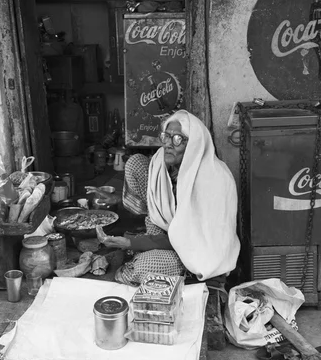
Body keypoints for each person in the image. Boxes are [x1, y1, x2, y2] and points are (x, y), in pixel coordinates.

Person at [96, 110, 240, 285]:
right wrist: (117, 199)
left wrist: (130, 242)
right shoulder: (163, 165)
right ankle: (150, 240)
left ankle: (183, 273)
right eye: (166, 136)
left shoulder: (214, 180)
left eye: (178, 139)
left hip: (195, 252)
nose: (168, 145)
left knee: (142, 266)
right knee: (135, 163)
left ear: (194, 144)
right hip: (168, 235)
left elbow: (188, 239)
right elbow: (157, 202)